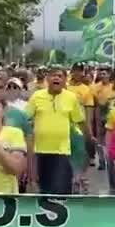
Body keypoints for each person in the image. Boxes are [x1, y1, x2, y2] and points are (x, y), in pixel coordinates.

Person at [26, 66, 89, 195]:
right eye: (53, 75)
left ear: (65, 80)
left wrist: (88, 142)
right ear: (47, 79)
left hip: (62, 152)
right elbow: (26, 119)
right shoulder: (37, 96)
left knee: (61, 190)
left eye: (60, 76)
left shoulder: (71, 98)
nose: (56, 78)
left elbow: (80, 122)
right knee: (44, 190)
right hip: (40, 152)